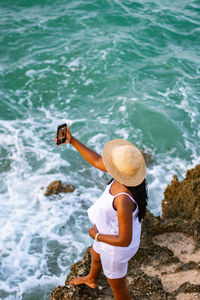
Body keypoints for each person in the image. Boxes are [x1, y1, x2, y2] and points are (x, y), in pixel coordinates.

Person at [55, 127, 148, 300]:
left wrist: (97, 236)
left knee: (119, 289)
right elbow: (97, 160)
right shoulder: (127, 176)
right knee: (95, 254)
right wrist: (72, 140)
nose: (107, 163)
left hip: (116, 248)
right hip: (107, 234)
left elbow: (124, 240)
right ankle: (91, 278)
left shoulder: (123, 200)